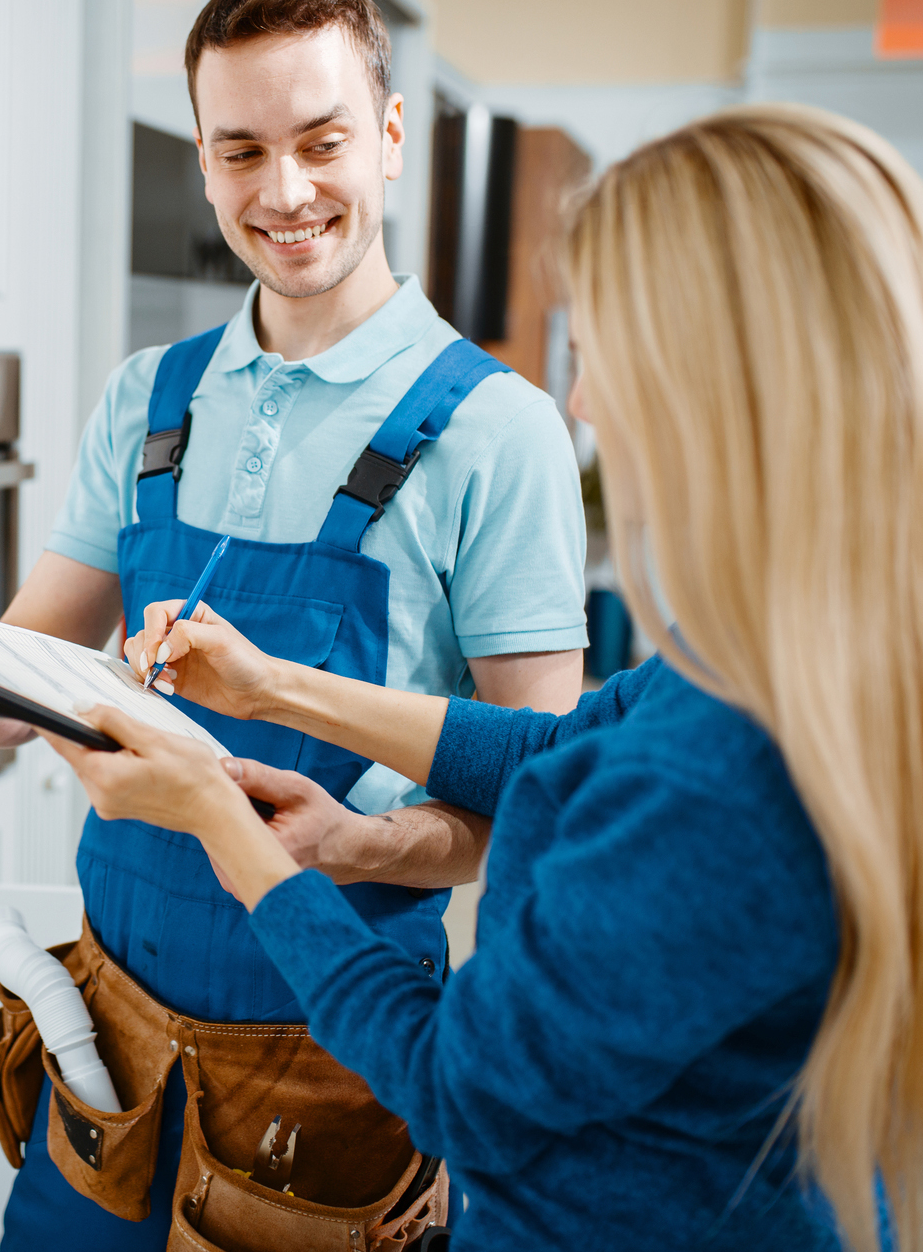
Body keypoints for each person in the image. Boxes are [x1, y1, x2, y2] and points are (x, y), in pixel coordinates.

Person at [47, 104, 923, 1251]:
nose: (587, 401)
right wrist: (272, 691)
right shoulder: (781, 666)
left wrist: (220, 819)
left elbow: (457, 1082)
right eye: (240, 149)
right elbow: (553, 752)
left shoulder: (715, 780)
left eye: (603, 350)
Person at [0, 0, 587, 1250]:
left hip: (332, 1068)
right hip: (100, 1049)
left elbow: (543, 807)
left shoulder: (496, 435)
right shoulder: (146, 397)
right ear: (201, 154)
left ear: (389, 139)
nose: (281, 193)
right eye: (238, 151)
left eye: (320, 140)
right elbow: (14, 705)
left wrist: (354, 843)